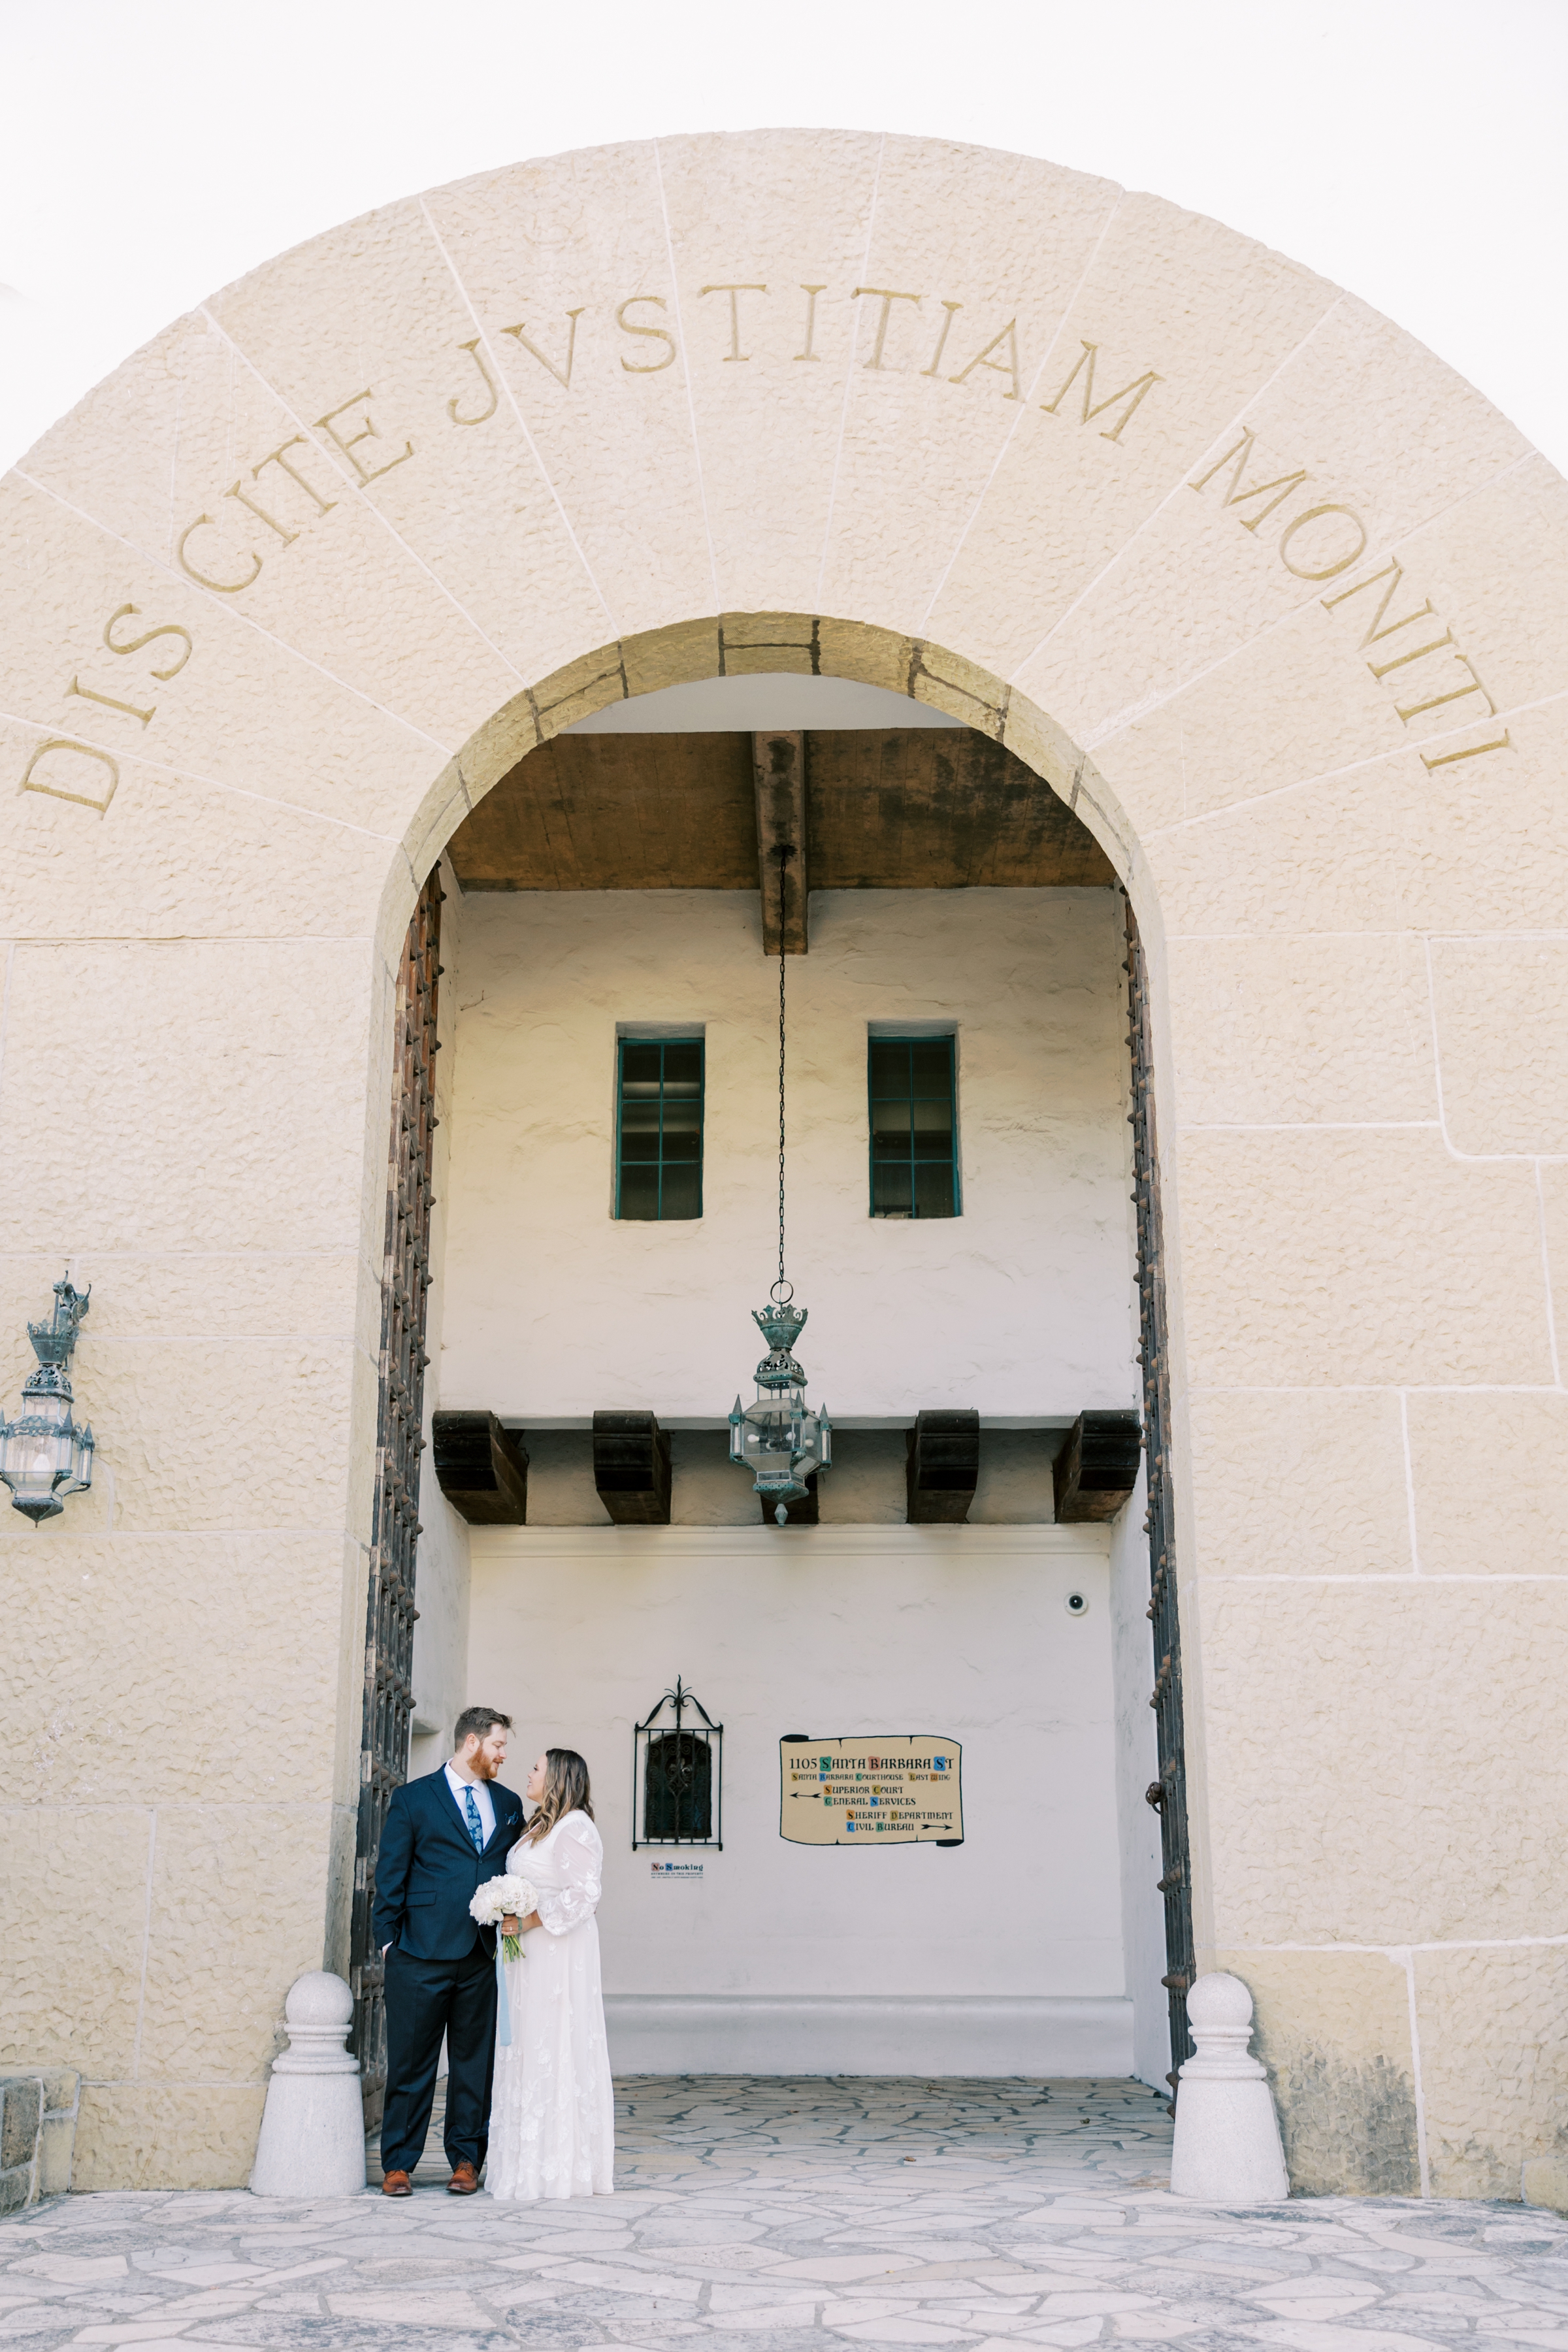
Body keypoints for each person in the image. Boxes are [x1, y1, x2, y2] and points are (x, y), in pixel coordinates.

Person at [372, 1706, 526, 2197]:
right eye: (499, 1745)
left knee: (472, 2066)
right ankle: (398, 2164)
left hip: (481, 1956)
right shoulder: (414, 1799)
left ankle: (466, 2160)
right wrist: (389, 1941)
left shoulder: (507, 1803)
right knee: (412, 2064)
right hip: (418, 1952)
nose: (504, 1755)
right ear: (473, 1742)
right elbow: (390, 1874)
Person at [485, 1747, 615, 2201]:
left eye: (537, 1768)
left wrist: (529, 1920)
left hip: (557, 1953)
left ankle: (558, 2166)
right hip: (527, 1956)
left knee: (553, 2042)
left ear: (557, 1777)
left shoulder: (576, 1826)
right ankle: (523, 2163)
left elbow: (584, 1896)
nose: (529, 1772)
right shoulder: (539, 1825)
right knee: (526, 2042)